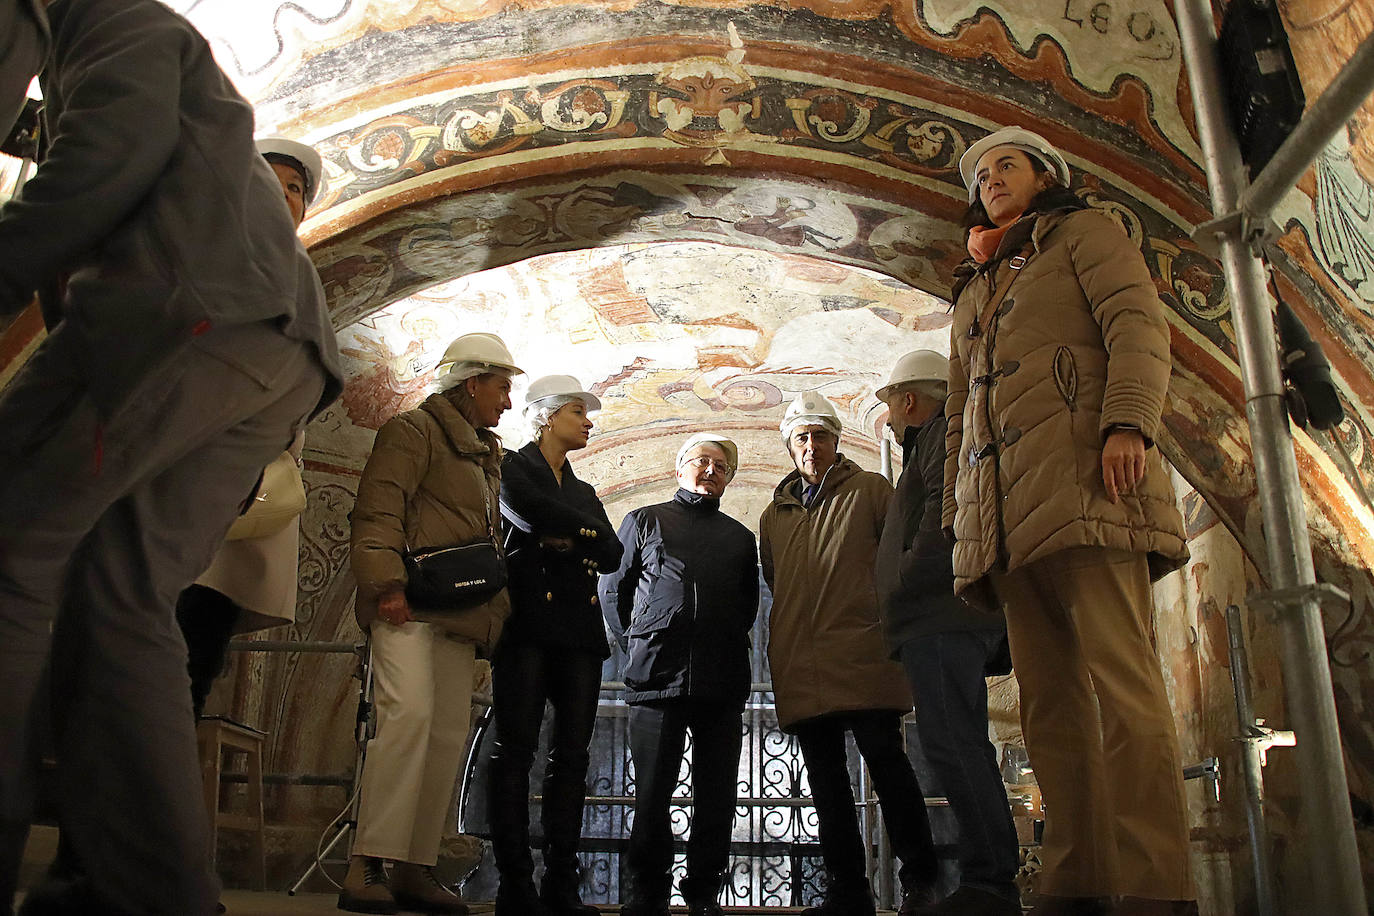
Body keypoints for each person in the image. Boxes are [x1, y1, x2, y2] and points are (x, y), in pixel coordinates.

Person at [0, 2, 342, 913]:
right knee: (121, 596)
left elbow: (99, 169)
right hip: (270, 346)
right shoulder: (126, 44)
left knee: (10, 549)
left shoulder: (118, 25)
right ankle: (144, 887)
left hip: (189, 316)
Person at [945, 126, 1193, 916]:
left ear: (1046, 175)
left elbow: (1136, 324)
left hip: (1089, 490)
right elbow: (962, 418)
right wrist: (965, 518)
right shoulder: (974, 288)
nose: (991, 178)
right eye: (981, 173)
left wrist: (1129, 422)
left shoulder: (1086, 233)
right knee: (1051, 709)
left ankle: (1154, 886)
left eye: (1006, 165)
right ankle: (1076, 884)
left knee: (1124, 691)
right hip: (1011, 520)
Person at [346, 332, 523, 916]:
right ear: (471, 382)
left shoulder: (481, 452)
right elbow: (378, 508)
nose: (507, 401)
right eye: (502, 387)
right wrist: (386, 586)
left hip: (459, 616)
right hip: (411, 607)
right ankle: (367, 862)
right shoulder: (412, 432)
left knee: (446, 735)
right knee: (407, 724)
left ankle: (414, 867)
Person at [758, 393, 939, 916]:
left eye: (820, 436)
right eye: (801, 438)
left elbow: (898, 561)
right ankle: (848, 892)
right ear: (790, 447)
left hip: (865, 649)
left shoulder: (870, 490)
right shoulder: (774, 514)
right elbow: (778, 579)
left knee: (889, 770)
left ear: (836, 441)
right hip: (803, 657)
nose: (811, 447)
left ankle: (920, 885)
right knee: (827, 785)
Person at [176, 136, 326, 717]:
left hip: (243, 488)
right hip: (178, 472)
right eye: (271, 182)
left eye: (295, 189)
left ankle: (149, 798)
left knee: (196, 650)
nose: (284, 196)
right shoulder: (193, 255)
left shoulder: (299, 281)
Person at [874, 350, 1019, 916]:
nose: (888, 420)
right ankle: (989, 876)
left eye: (890, 407)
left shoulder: (937, 437)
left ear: (908, 401)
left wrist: (904, 582)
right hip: (937, 617)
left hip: (939, 615)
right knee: (955, 742)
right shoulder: (937, 439)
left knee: (954, 744)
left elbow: (945, 517)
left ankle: (991, 880)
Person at [600, 433, 759, 916]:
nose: (711, 471)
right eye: (702, 462)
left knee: (716, 796)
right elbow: (613, 591)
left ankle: (703, 894)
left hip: (721, 682)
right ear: (680, 469)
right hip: (656, 679)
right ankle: (647, 895)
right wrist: (642, 640)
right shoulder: (645, 521)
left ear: (729, 479)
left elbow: (748, 606)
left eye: (721, 466)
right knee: (651, 793)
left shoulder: (739, 537)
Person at [487, 375, 623, 916]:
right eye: (576, 411)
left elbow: (611, 552)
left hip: (580, 635)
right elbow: (530, 515)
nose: (588, 421)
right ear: (545, 416)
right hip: (526, 628)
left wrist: (573, 537)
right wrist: (580, 536)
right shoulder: (510, 470)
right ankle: (515, 886)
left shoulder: (585, 492)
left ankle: (562, 887)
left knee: (572, 758)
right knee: (514, 752)